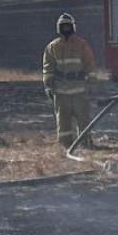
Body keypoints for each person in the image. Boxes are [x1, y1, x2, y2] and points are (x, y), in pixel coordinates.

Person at [42, 12, 97, 149]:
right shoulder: (52, 47)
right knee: (63, 121)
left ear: (72, 27)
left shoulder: (82, 45)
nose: (66, 29)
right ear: (59, 28)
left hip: (79, 90)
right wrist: (48, 86)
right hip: (61, 92)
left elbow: (90, 64)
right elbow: (48, 68)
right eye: (63, 26)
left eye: (68, 26)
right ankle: (65, 146)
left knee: (84, 120)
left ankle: (86, 144)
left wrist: (93, 82)